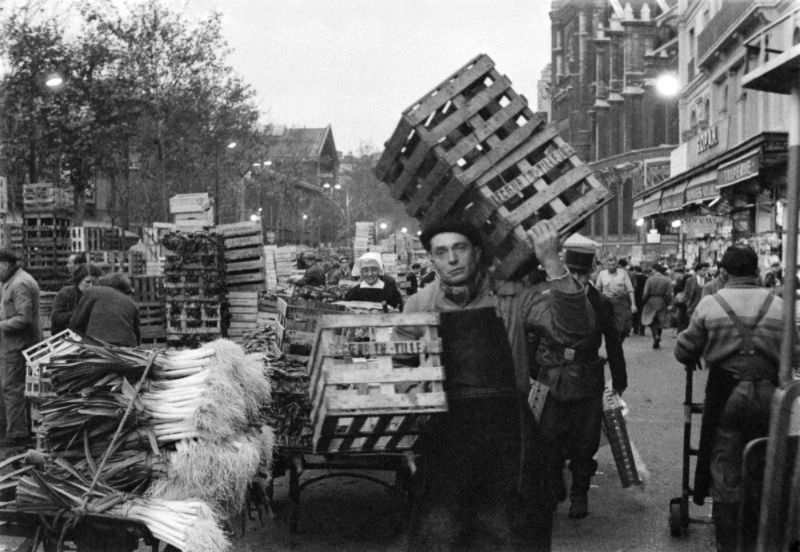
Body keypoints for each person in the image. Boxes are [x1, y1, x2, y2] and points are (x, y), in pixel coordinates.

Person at [400, 218, 595, 551]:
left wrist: (551, 261)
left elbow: (576, 331)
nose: (452, 259)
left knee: (512, 537)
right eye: (441, 252)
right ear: (431, 259)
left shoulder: (513, 298)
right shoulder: (419, 305)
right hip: (446, 448)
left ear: (476, 252)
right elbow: (399, 372)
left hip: (509, 447)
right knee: (441, 537)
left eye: (460, 249)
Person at [674, 245, 789, 552]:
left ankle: (728, 542)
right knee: (767, 458)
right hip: (770, 394)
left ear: (724, 272)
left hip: (726, 392)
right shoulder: (779, 306)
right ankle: (759, 535)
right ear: (756, 271)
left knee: (725, 462)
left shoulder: (711, 304)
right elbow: (795, 352)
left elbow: (685, 349)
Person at [533, 245, 627, 519]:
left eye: (582, 273)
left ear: (592, 273)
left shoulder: (600, 302)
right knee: (549, 438)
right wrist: (532, 370)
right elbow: (532, 335)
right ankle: (553, 487)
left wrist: (619, 380)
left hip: (588, 377)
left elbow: (613, 341)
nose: (578, 279)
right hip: (551, 377)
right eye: (572, 272)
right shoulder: (548, 298)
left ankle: (579, 494)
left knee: (585, 443)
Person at [0, 249, 40, 446]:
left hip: (18, 345)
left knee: (12, 388)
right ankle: (18, 430)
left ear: (5, 265)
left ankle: (17, 435)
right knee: (15, 388)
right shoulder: (14, 281)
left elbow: (24, 318)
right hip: (15, 344)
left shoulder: (19, 284)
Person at [69, 273, 140, 347]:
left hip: (97, 345)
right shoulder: (132, 303)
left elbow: (76, 322)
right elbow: (137, 333)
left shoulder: (93, 291)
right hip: (126, 348)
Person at [51, 264, 102, 334]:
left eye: (95, 283)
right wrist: (79, 314)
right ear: (79, 280)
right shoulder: (66, 293)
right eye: (87, 282)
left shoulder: (98, 296)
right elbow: (56, 317)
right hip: (65, 336)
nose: (91, 286)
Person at [595, 255, 636, 340]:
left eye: (613, 264)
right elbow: (597, 289)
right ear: (606, 264)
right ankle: (613, 342)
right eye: (609, 264)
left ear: (617, 264)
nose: (611, 266)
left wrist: (633, 304)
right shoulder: (602, 274)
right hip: (607, 302)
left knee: (624, 327)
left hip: (620, 302)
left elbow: (630, 290)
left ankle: (619, 340)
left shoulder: (623, 273)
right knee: (608, 326)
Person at [641, 263, 673, 349]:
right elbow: (669, 294)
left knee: (651, 321)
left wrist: (643, 301)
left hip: (651, 301)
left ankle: (655, 335)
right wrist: (668, 303)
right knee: (660, 321)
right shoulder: (667, 280)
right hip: (662, 301)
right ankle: (658, 335)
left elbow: (645, 292)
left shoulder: (650, 279)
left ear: (655, 270)